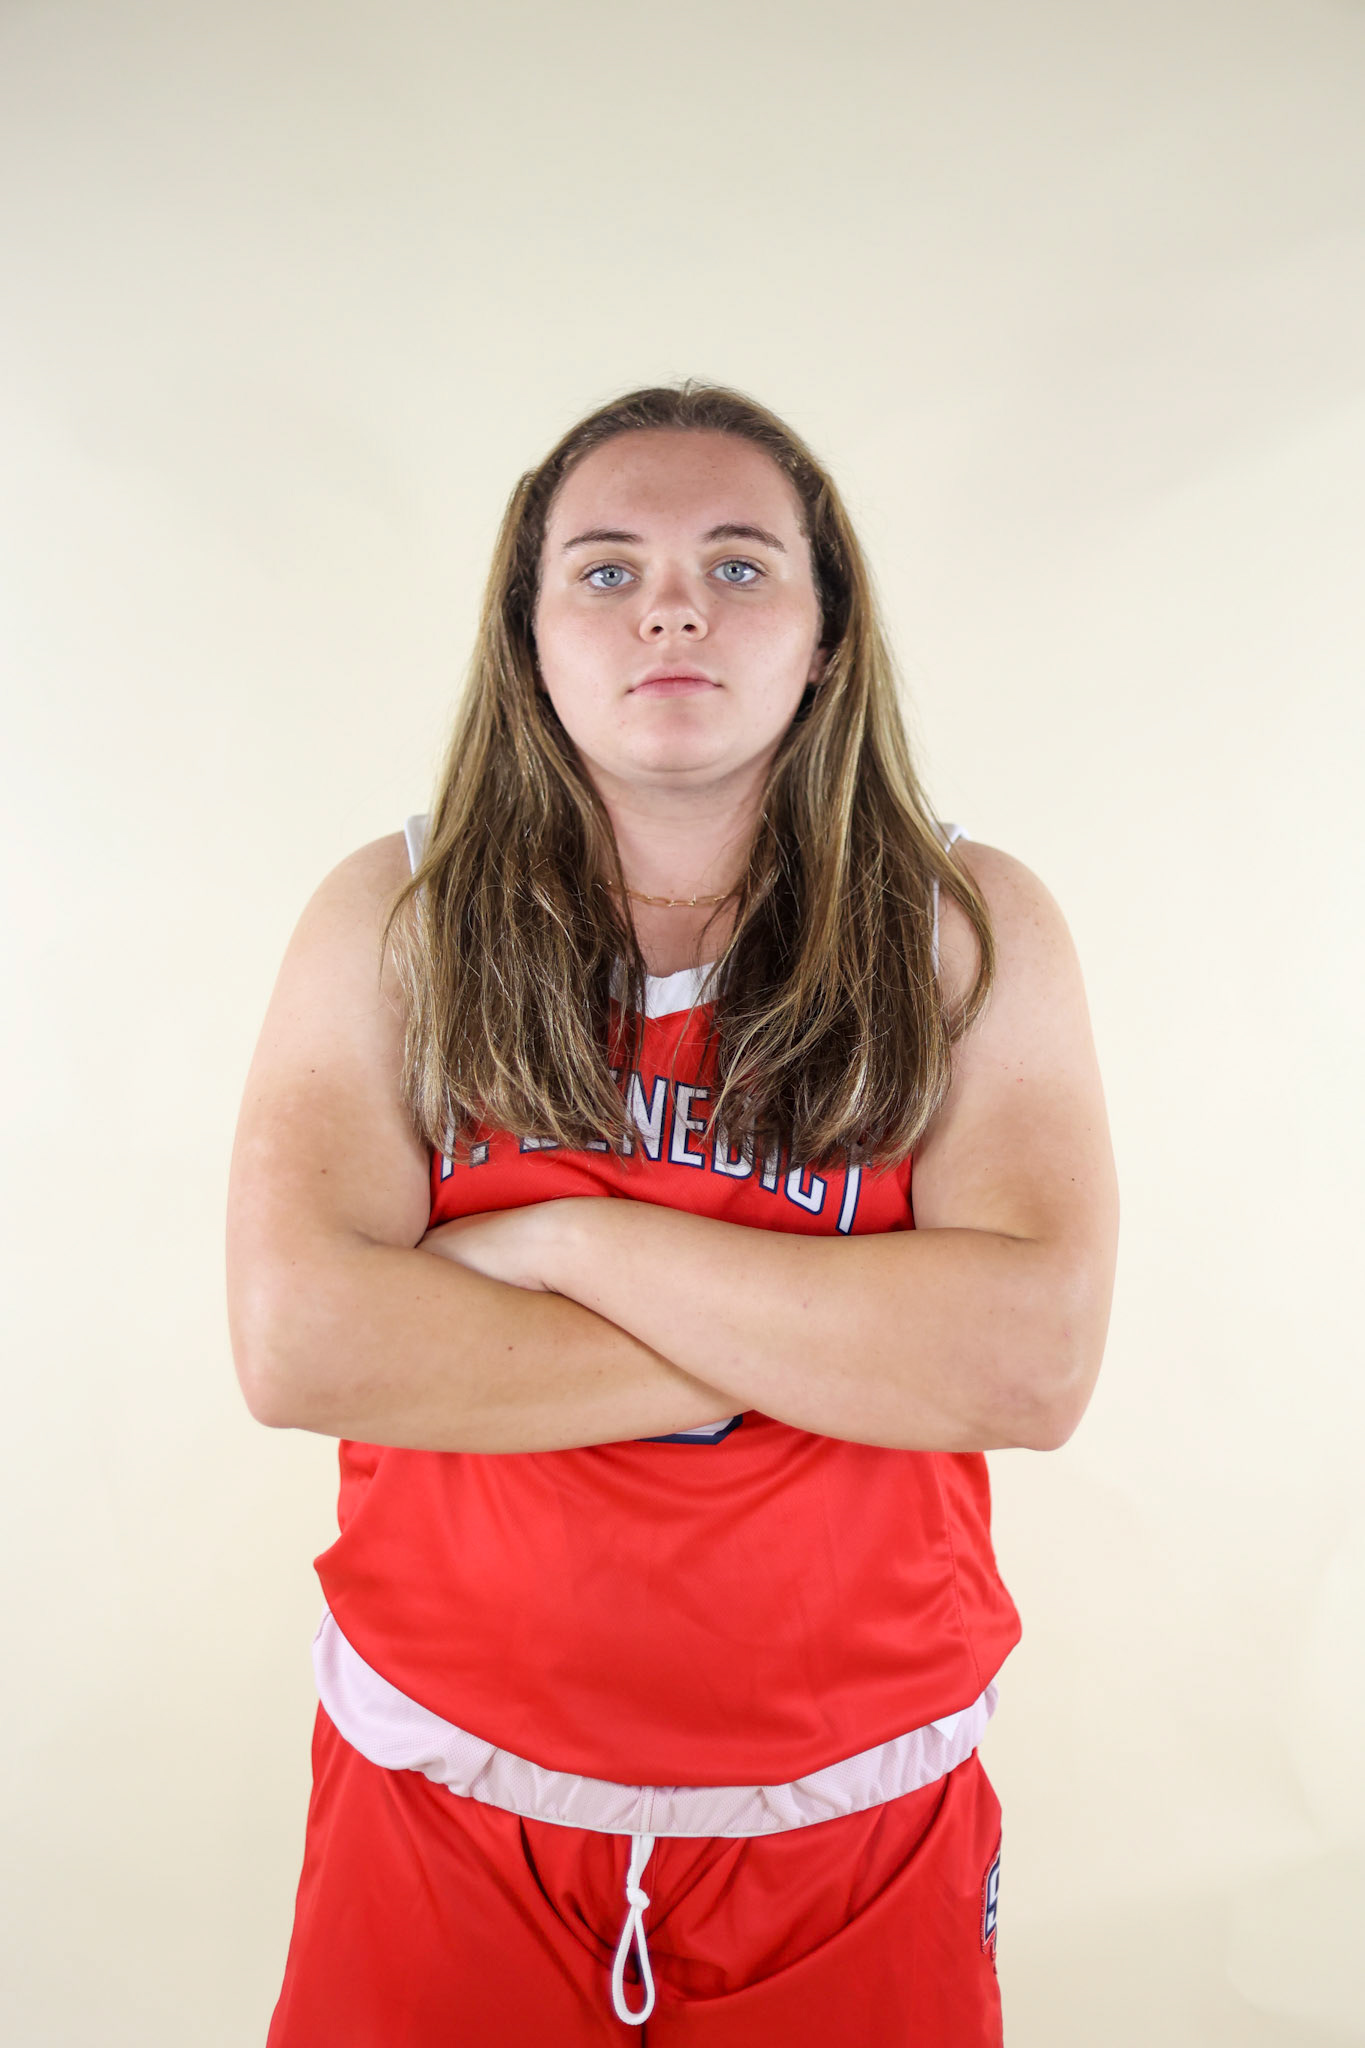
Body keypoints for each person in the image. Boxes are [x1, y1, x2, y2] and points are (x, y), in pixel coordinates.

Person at [227, 380, 1119, 2046]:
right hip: (445, 1799)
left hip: (852, 1819)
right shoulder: (400, 916)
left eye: (738, 563)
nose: (672, 609)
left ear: (826, 633)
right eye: (606, 569)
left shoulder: (959, 924)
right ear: (529, 633)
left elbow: (1023, 1366)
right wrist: (840, 1341)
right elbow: (306, 1346)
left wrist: (564, 1246)